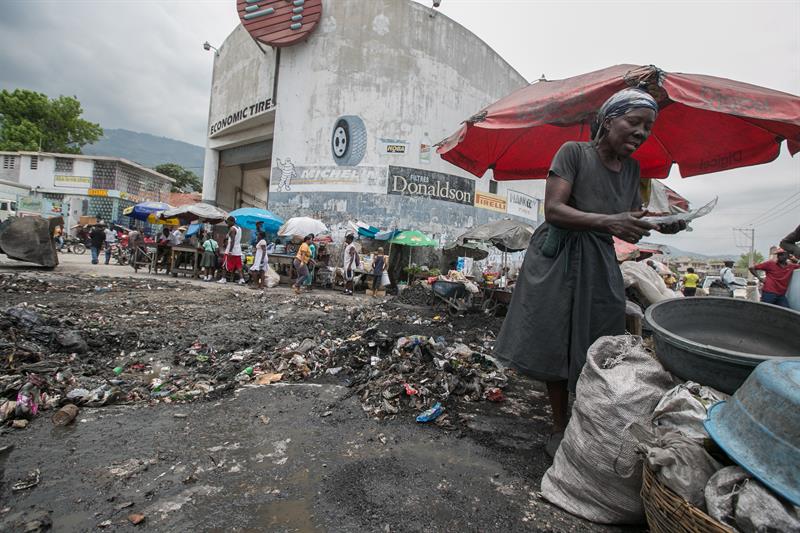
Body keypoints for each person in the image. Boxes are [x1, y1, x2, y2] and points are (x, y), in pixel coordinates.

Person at [492, 88, 686, 458]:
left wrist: (662, 223)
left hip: (598, 258)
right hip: (560, 255)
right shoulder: (573, 153)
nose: (641, 133)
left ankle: (586, 415)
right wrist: (611, 221)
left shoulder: (632, 171)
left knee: (599, 335)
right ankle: (559, 425)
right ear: (608, 120)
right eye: (634, 122)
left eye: (647, 127)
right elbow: (554, 209)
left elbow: (627, 219)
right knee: (557, 336)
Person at [219, 216, 245, 284]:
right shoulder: (239, 228)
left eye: (228, 222)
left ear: (232, 221)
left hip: (231, 250)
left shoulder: (232, 229)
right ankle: (242, 279)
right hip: (238, 250)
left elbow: (232, 241)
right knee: (239, 265)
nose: (227, 224)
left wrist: (230, 251)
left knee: (225, 264)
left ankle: (223, 279)